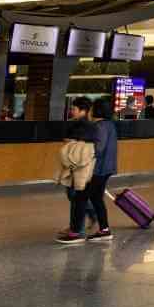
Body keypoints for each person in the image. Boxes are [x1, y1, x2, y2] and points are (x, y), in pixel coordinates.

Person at [55, 98, 98, 243]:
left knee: (77, 196)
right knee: (74, 196)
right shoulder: (80, 125)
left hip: (80, 168)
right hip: (76, 167)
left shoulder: (87, 126)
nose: (72, 111)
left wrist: (71, 144)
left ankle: (77, 229)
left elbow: (76, 146)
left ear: (83, 111)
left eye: (74, 109)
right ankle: (78, 224)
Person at [81, 99, 117, 241]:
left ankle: (100, 228)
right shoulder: (109, 125)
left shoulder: (99, 126)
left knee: (88, 196)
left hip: (99, 168)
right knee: (96, 197)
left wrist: (85, 151)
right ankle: (103, 228)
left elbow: (99, 148)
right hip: (107, 167)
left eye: (91, 109)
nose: (89, 112)